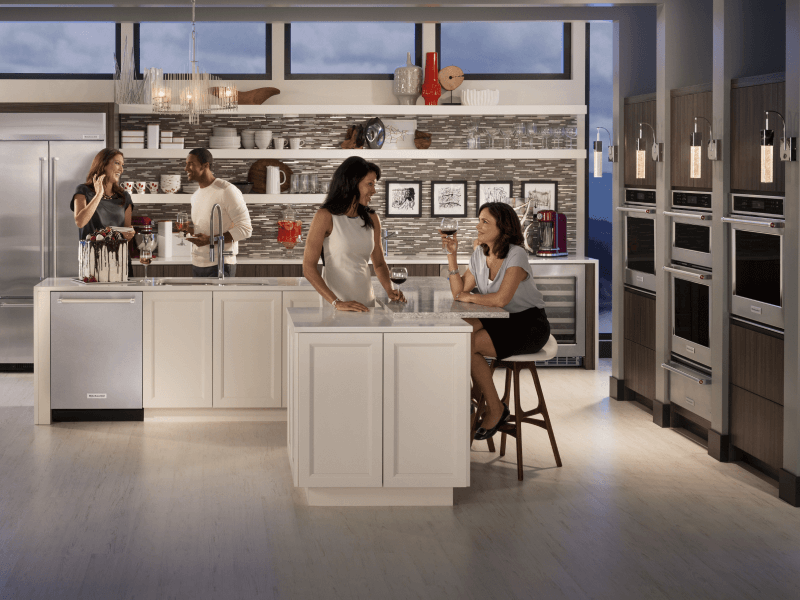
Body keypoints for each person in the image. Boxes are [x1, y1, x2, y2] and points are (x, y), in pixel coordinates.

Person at [441, 201, 550, 440]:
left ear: (502, 228)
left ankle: (489, 405)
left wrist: (471, 297)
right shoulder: (480, 254)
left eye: (485, 222)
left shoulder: (516, 254)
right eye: (479, 220)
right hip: (499, 319)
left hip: (527, 325)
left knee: (468, 344)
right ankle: (476, 399)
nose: (478, 226)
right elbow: (459, 291)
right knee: (459, 334)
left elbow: (501, 299)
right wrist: (451, 254)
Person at [303, 156, 405, 311]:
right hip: (337, 306)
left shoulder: (372, 218)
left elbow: (378, 263)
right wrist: (337, 302)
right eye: (369, 184)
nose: (374, 190)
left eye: (374, 184)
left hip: (367, 303)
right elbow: (308, 267)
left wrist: (389, 289)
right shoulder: (325, 216)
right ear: (352, 183)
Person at [184, 148, 252, 277]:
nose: (186, 168)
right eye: (186, 164)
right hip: (198, 263)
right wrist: (191, 230)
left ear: (205, 165)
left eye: (190, 164)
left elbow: (246, 229)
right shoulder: (195, 195)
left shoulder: (227, 191)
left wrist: (210, 240)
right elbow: (207, 230)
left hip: (220, 264)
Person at [71, 148, 136, 266]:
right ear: (103, 164)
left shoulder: (124, 197)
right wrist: (99, 194)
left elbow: (127, 231)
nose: (121, 169)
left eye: (122, 165)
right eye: (117, 163)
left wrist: (130, 235)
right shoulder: (83, 191)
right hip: (92, 261)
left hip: (119, 261)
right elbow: (80, 222)